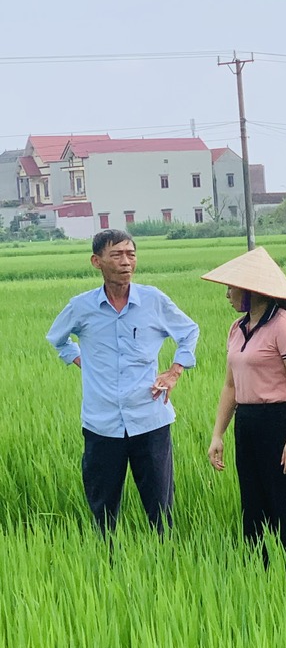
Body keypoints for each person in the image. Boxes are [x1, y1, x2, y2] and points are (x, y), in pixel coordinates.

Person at [46, 229, 199, 535]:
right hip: (101, 424)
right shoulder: (81, 306)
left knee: (160, 512)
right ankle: (108, 565)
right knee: (103, 512)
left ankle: (165, 565)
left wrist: (175, 371)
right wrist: (80, 360)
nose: (126, 262)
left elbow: (189, 331)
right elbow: (57, 339)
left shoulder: (153, 300)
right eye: (116, 255)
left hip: (150, 419)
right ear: (96, 261)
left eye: (131, 254)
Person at [204, 247, 286, 555]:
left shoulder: (285, 327)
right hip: (248, 424)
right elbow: (230, 386)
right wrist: (218, 434)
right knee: (253, 503)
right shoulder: (237, 329)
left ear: (253, 292)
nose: (227, 294)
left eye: (232, 287)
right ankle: (260, 572)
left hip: (280, 422)